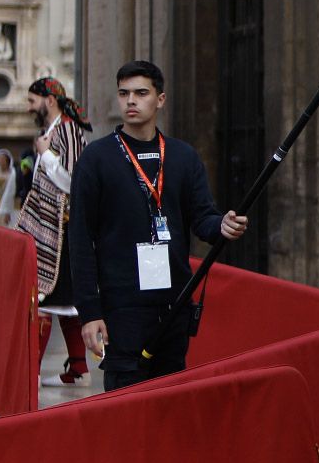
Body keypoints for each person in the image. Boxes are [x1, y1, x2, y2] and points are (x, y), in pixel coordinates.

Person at [68, 61, 248, 391]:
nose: (131, 101)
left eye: (141, 93)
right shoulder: (96, 159)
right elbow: (80, 239)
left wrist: (223, 224)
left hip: (173, 304)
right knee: (127, 405)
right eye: (124, 94)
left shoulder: (183, 157)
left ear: (160, 100)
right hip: (122, 307)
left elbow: (203, 219)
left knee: (169, 403)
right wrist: (89, 312)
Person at [20, 77, 94, 386]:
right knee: (64, 301)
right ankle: (79, 367)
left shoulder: (67, 130)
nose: (29, 107)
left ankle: (31, 371)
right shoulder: (50, 132)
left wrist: (46, 155)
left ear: (49, 100)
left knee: (45, 298)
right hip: (48, 228)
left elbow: (73, 181)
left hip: (60, 232)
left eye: (32, 100)